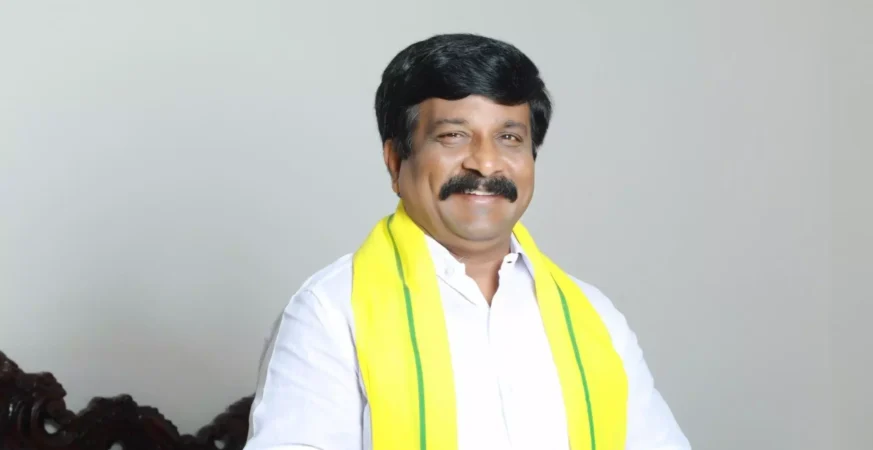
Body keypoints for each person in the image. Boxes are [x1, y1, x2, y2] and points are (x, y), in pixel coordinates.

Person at [243, 33, 690, 450]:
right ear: (395, 160)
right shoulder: (330, 312)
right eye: (453, 136)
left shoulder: (594, 318)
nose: (486, 164)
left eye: (509, 138)